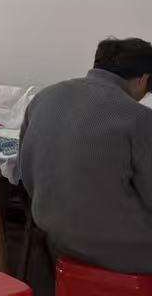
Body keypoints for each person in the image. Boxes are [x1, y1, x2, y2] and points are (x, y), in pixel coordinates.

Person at [19, 37, 152, 275]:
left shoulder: (43, 98)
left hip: (55, 236)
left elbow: (27, 173)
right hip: (122, 251)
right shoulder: (139, 118)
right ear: (143, 79)